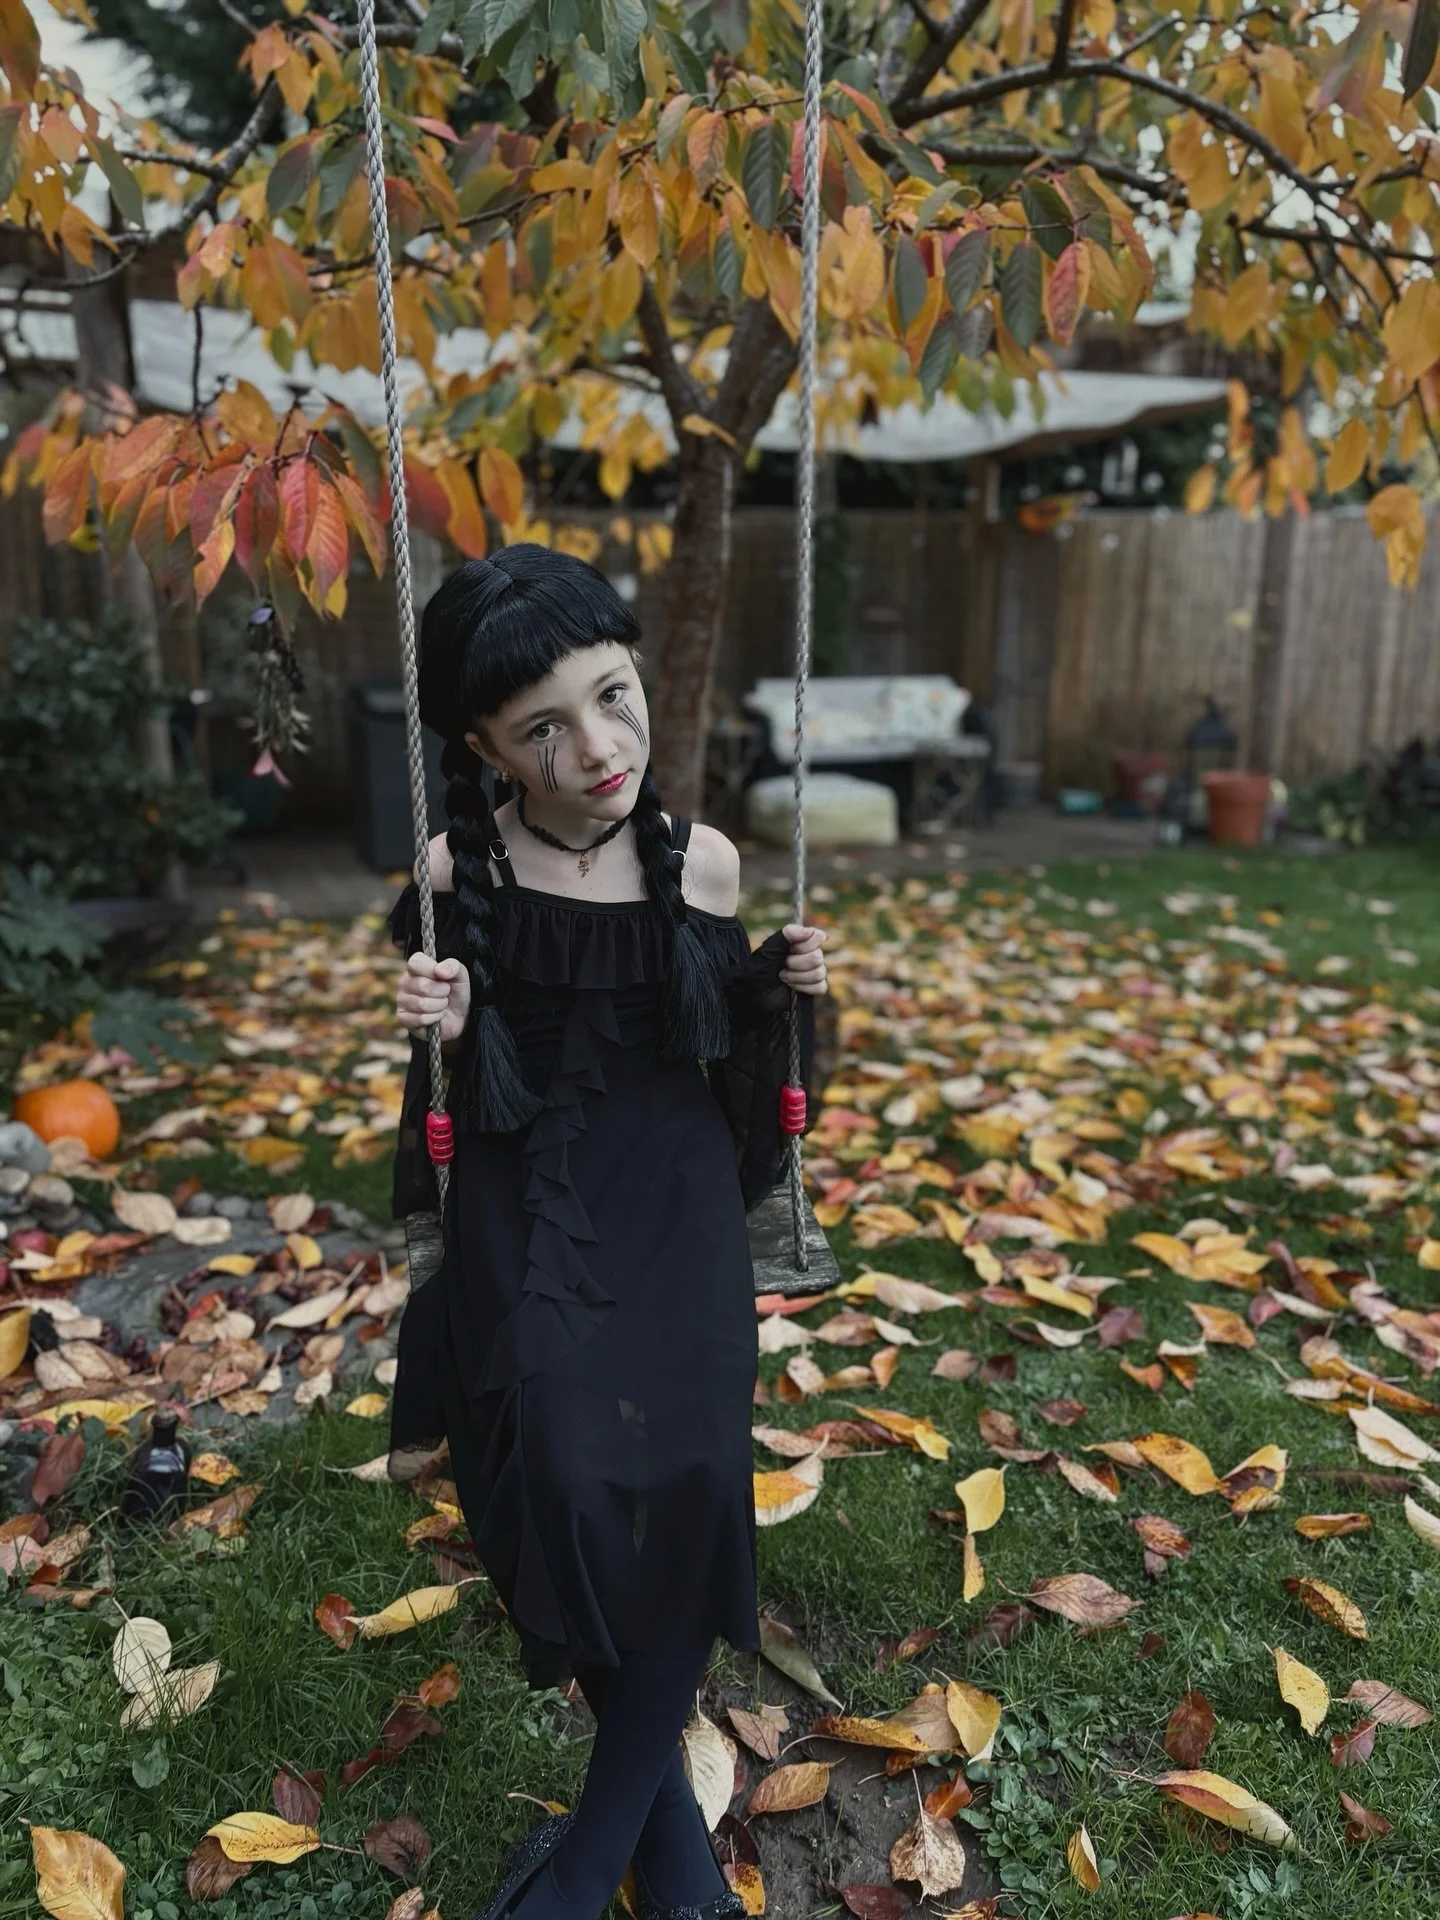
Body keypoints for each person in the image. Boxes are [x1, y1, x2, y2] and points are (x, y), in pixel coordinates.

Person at [388, 545, 829, 1920]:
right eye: (545, 729)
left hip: (676, 1199)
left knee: (689, 1492)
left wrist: (787, 1002)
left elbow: (741, 1083)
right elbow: (460, 1097)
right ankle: (677, 1866)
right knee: (568, 1486)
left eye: (614, 698)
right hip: (533, 1199)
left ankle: (597, 1865)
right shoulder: (463, 866)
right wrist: (449, 1023)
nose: (597, 748)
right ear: (483, 748)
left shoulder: (702, 863)